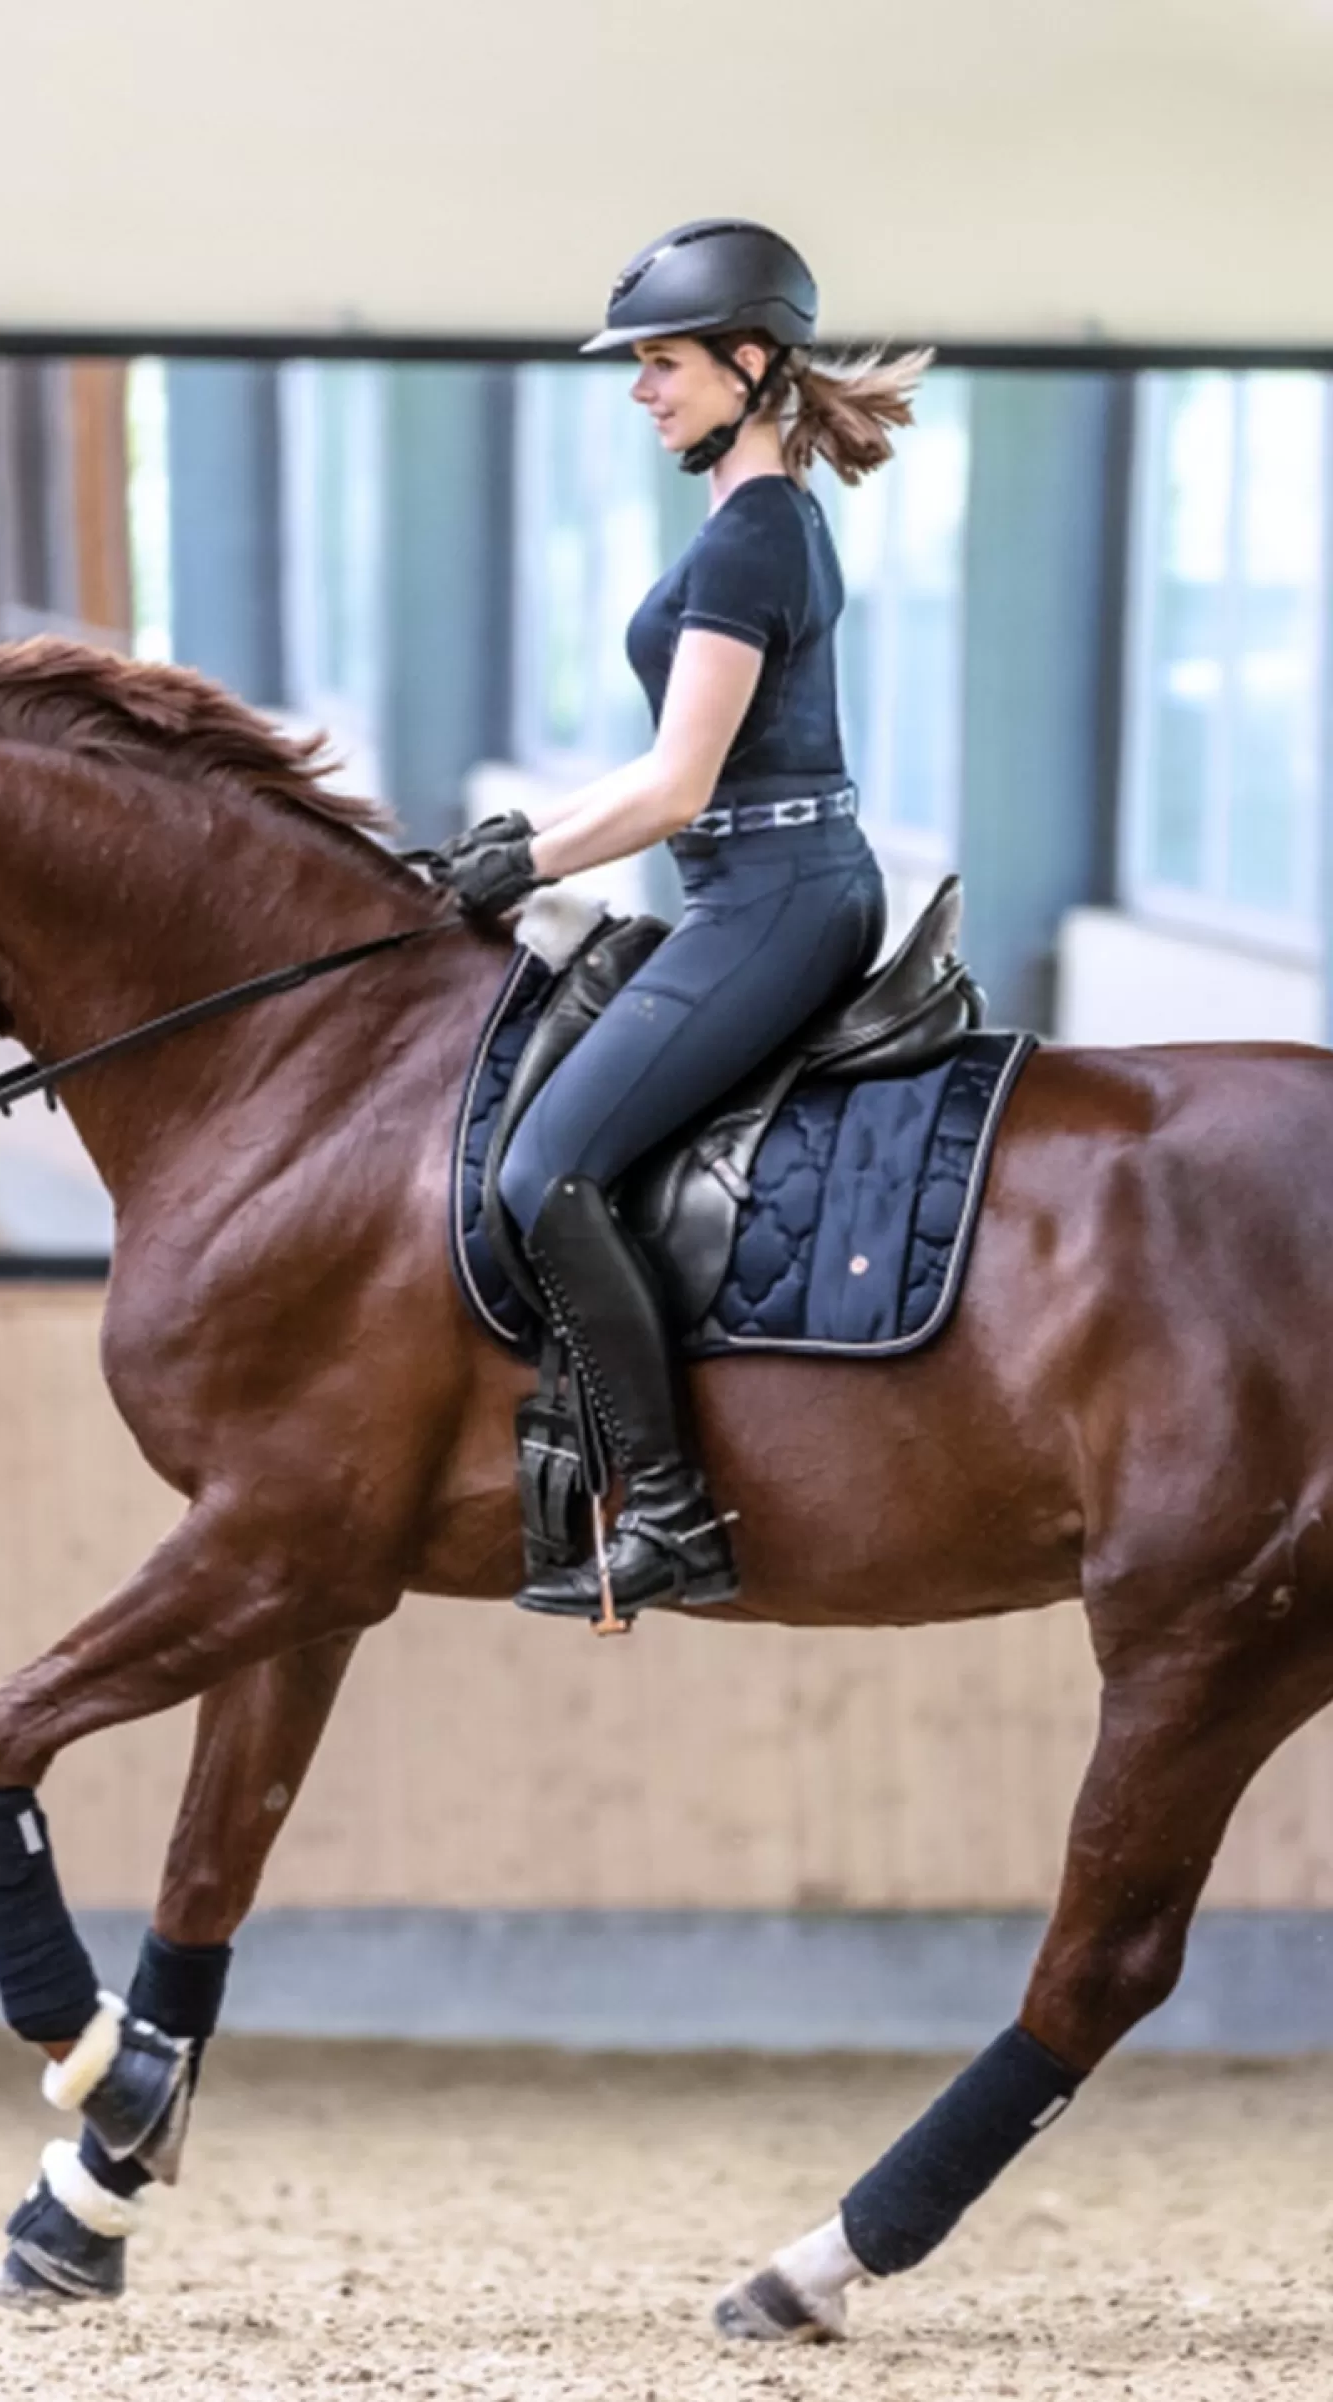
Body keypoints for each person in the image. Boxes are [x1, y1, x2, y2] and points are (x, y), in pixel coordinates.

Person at [432, 218, 929, 1621]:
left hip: (772, 897)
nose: (643, 390)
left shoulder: (756, 536)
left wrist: (522, 855)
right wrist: (517, 839)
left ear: (748, 362)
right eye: (641, 366)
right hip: (762, 882)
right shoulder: (744, 525)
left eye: (662, 364)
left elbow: (678, 783)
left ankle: (668, 1513)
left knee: (544, 1176)